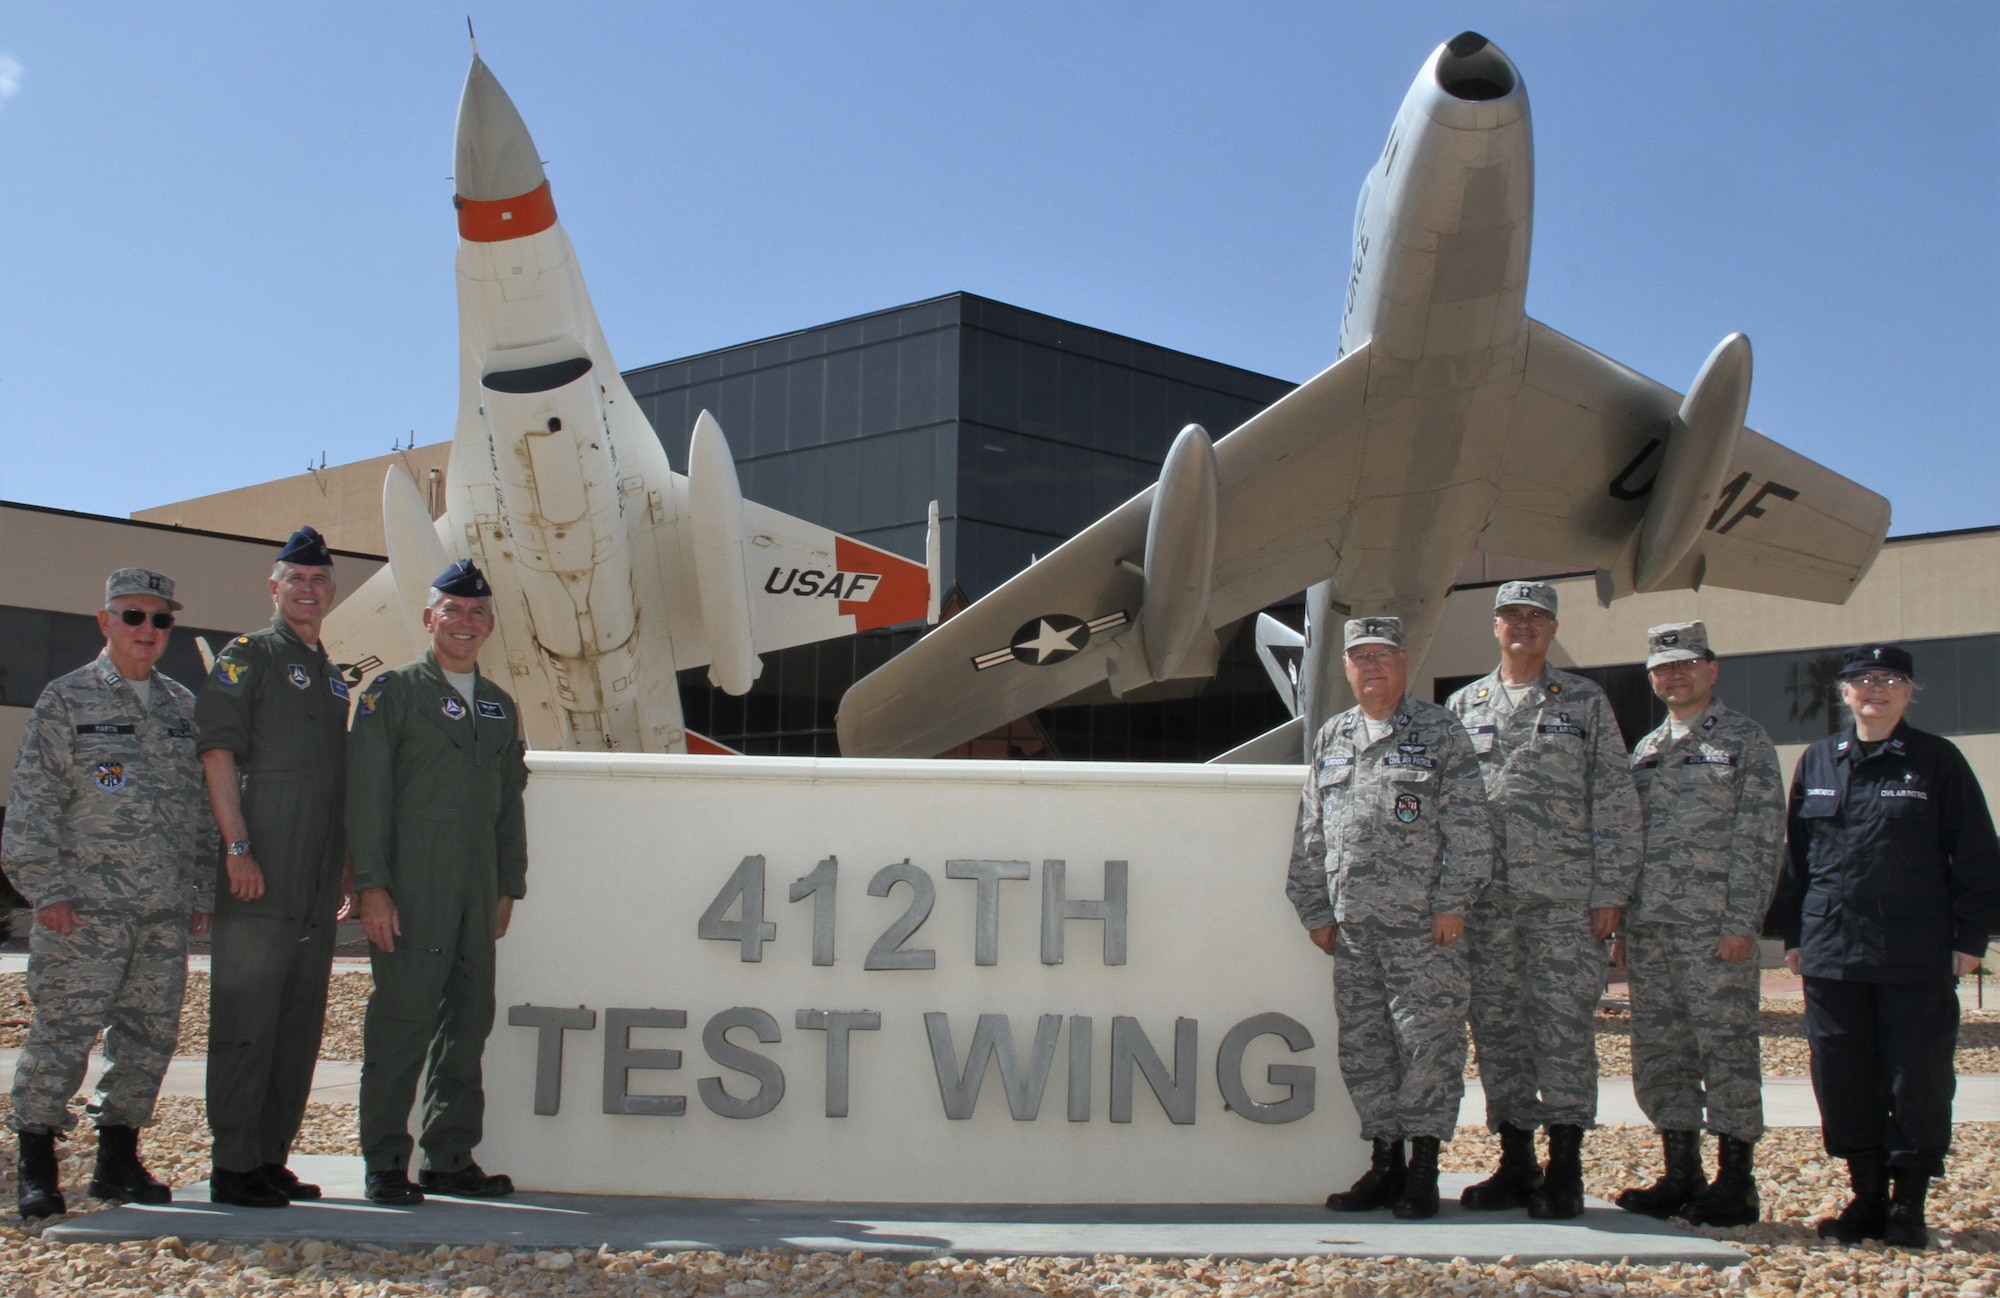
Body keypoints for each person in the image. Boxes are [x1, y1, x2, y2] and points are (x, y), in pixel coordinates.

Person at [1, 568, 212, 1218]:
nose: (147, 630)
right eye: (133, 616)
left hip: (161, 910)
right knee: (63, 1033)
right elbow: (32, 803)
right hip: (82, 912)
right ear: (105, 622)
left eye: (159, 620)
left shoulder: (182, 705)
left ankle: (118, 1161)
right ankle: (36, 1164)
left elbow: (201, 807)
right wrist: (46, 889)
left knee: (149, 1036)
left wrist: (201, 888)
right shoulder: (67, 700)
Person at [1775, 643, 2000, 1249]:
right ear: (1844, 692)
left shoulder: (1937, 760)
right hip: (1831, 951)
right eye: (1863, 679)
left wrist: (1972, 936)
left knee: (1917, 1078)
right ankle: (1866, 1196)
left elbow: (1977, 853)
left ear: (1908, 692)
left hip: (1915, 951)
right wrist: (1795, 935)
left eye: (1891, 679)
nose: (1876, 688)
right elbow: (1797, 860)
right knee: (1842, 1077)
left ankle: (1909, 1204)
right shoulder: (1819, 761)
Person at [1445, 580, 1641, 1218]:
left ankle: (1566, 1168)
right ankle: (1517, 1162)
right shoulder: (1463, 703)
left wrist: (1610, 889)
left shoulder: (1583, 702)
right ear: (1494, 626)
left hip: (1563, 901)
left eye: (1536, 617)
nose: (1522, 625)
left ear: (1552, 630)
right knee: (1497, 1029)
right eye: (1511, 616)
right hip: (1485, 902)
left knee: (1560, 1029)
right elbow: (1447, 806)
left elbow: (1613, 798)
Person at [1287, 616, 1493, 1219]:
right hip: (1353, 931)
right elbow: (1310, 832)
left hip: (1422, 929)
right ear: (1346, 668)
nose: (1372, 666)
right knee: (1366, 1049)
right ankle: (1385, 1164)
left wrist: (1453, 902)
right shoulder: (1334, 736)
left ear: (1405, 664)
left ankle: (1424, 1169)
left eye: (1384, 655)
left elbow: (1470, 828)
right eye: (1361, 657)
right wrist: (1314, 910)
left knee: (1427, 1045)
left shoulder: (1438, 731)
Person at [347, 560, 528, 1205]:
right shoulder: (391, 694)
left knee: (468, 1022)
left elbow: (509, 804)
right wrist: (371, 886)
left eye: (477, 612)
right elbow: (365, 796)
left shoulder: (500, 707)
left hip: (477, 887)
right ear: (429, 619)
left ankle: (449, 1155)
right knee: (402, 1019)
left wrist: (509, 886)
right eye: (452, 610)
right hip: (412, 882)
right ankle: (385, 1160)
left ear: (490, 626)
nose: (465, 622)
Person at [195, 525, 355, 1208]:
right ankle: (233, 1163)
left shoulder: (332, 676)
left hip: (315, 879)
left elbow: (338, 777)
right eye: (297, 579)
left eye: (319, 580)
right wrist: (236, 845)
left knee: (297, 1024)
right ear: (275, 587)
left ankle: (269, 1156)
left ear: (332, 592)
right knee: (246, 1017)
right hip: (261, 865)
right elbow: (218, 752)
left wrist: (344, 868)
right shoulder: (249, 656)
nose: (308, 590)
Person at [1613, 622, 1785, 1227]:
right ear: (1652, 679)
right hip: (1653, 931)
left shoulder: (1744, 741)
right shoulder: (1647, 750)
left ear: (1712, 669)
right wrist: (1627, 931)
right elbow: (1631, 845)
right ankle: (1680, 1173)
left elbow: (1762, 839)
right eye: (1662, 667)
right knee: (1661, 1055)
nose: (1675, 675)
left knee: (1727, 1052)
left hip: (1716, 932)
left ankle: (1736, 1182)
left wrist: (1743, 922)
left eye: (1687, 663)